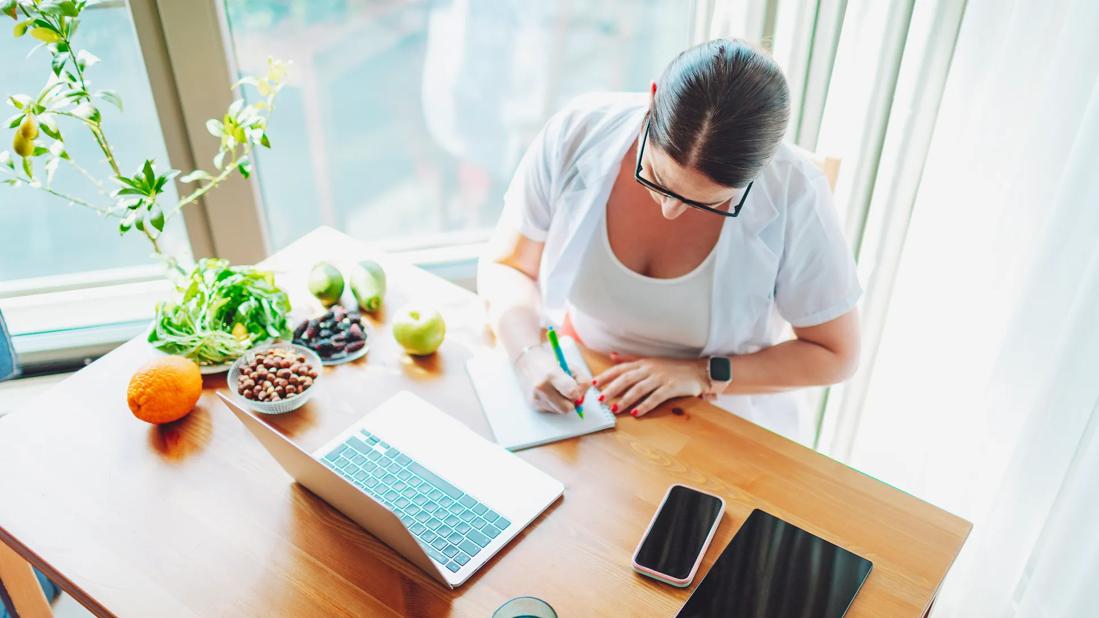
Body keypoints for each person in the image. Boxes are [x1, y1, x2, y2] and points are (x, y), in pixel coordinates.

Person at [477, 39, 861, 443]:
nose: (669, 211)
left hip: (714, 418)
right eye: (655, 178)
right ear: (652, 98)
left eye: (706, 203)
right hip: (586, 388)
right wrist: (527, 354)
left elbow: (836, 355)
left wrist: (701, 373)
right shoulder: (578, 132)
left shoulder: (796, 191)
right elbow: (509, 266)